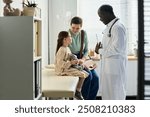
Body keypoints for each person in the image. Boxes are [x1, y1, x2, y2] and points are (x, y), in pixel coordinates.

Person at [97, 4, 127, 100]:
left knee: (115, 94)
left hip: (115, 68)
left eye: (101, 16)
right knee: (108, 94)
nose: (100, 19)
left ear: (107, 14)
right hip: (109, 66)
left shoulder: (118, 27)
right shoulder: (111, 26)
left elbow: (117, 48)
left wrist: (100, 50)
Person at [68, 16, 99, 100]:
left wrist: (83, 59)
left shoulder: (83, 34)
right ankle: (82, 99)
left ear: (81, 27)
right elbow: (65, 51)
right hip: (71, 59)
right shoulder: (66, 34)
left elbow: (86, 50)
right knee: (88, 76)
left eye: (77, 28)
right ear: (70, 25)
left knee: (96, 78)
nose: (75, 30)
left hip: (82, 58)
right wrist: (76, 61)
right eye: (73, 27)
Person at [55, 31, 89, 100]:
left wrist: (75, 59)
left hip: (66, 67)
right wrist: (71, 62)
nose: (71, 38)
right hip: (62, 70)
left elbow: (68, 57)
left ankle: (75, 92)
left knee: (85, 72)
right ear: (64, 39)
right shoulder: (62, 49)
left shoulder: (67, 48)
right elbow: (60, 64)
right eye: (70, 37)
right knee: (83, 74)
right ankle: (77, 92)